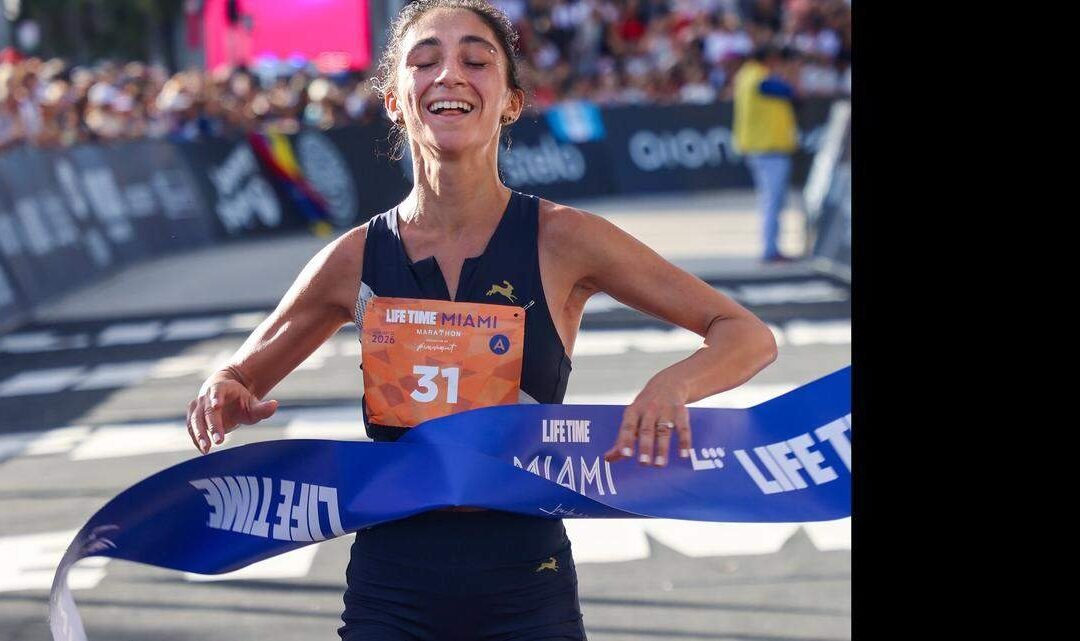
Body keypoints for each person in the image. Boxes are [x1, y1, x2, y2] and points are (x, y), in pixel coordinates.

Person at [183, 1, 778, 639]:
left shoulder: (563, 239)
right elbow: (239, 376)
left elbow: (745, 334)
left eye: (475, 60)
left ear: (512, 101)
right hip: (392, 592)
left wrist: (674, 386)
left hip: (528, 586)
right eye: (425, 61)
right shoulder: (353, 257)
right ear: (392, 100)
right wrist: (224, 391)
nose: (450, 76)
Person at [733, 43, 799, 263]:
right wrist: (790, 71)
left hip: (761, 147)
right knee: (773, 200)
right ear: (769, 58)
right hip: (768, 148)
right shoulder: (759, 77)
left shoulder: (746, 74)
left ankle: (772, 247)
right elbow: (789, 91)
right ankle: (770, 250)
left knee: (771, 200)